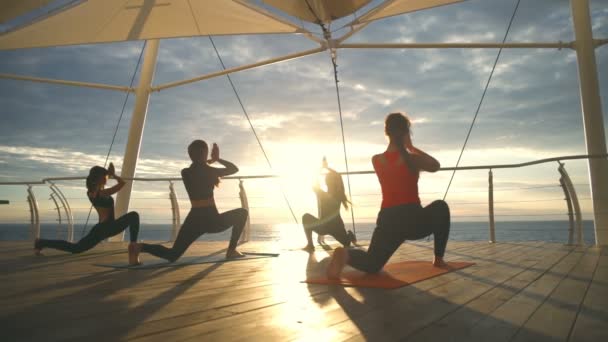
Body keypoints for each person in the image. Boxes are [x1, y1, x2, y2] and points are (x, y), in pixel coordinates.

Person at [326, 112, 450, 279]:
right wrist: (411, 147)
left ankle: (346, 255)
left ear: (387, 133)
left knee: (372, 264)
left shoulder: (377, 160)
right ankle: (438, 259)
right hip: (412, 220)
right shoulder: (411, 159)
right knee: (441, 207)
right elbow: (435, 165)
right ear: (406, 133)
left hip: (387, 219)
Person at [137, 140, 247, 261]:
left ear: (190, 155)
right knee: (242, 213)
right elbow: (234, 169)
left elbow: (199, 168)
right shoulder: (211, 171)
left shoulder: (186, 172)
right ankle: (231, 250)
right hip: (212, 220)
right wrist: (217, 158)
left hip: (194, 219)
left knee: (173, 254)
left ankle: (139, 247)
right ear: (205, 153)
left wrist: (210, 160)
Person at [34, 163, 141, 265]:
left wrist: (108, 174)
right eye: (105, 177)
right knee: (134, 216)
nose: (107, 179)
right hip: (108, 228)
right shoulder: (102, 193)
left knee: (76, 248)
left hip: (102, 228)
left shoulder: (91, 193)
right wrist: (113, 175)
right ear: (99, 178)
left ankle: (41, 242)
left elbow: (103, 181)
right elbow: (122, 183)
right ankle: (133, 245)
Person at [302, 168, 356, 251]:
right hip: (331, 227)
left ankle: (349, 235)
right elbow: (338, 177)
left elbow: (314, 185)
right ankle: (310, 244)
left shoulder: (330, 194)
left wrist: (322, 169)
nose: (327, 181)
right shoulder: (336, 194)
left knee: (347, 243)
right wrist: (326, 167)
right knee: (306, 217)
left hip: (331, 227)